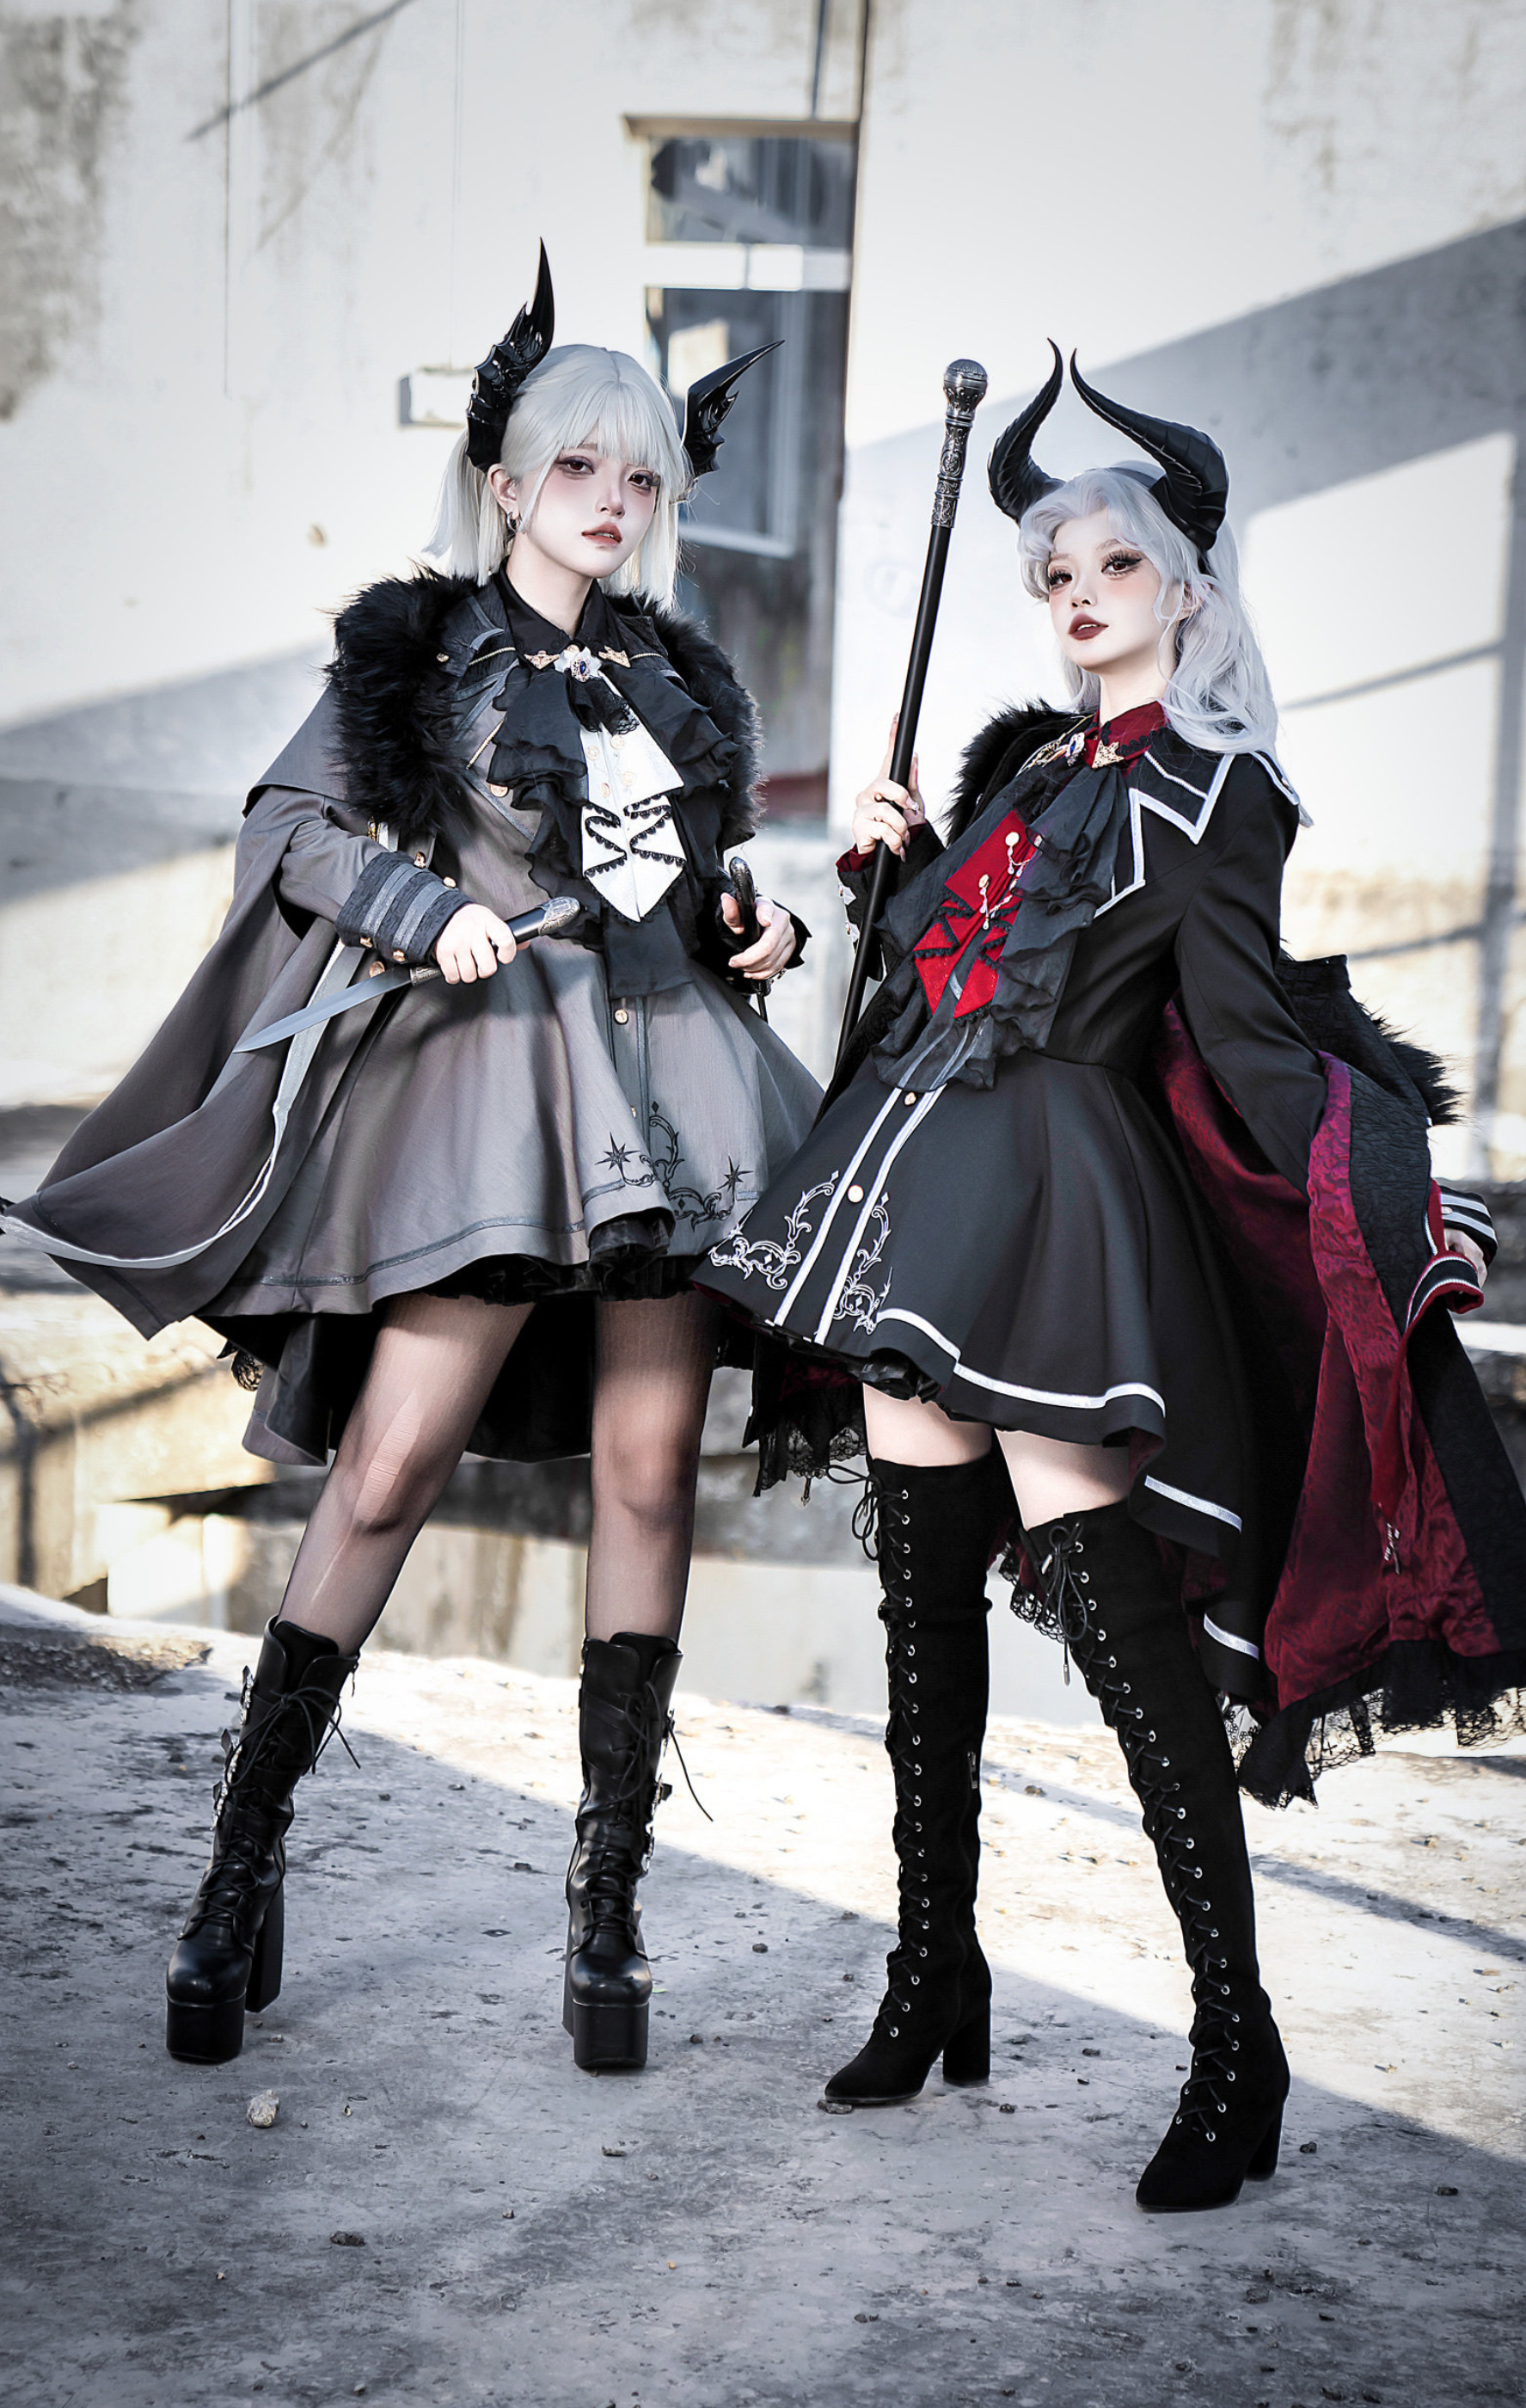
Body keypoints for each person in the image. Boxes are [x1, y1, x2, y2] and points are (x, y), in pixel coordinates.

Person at [697, 346, 1526, 2209]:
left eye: (1114, 565)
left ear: (1187, 585)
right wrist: (893, 869)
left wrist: (1383, 1192)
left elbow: (1250, 1037)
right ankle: (933, 1971)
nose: (1082, 595)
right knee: (920, 1611)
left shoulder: (1217, 791)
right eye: (1056, 574)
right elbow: (933, 983)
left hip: (1054, 1216)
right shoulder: (1028, 776)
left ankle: (1233, 2044)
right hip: (910, 1192)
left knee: (1119, 1635)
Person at [3, 255, 819, 2077]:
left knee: (651, 1471)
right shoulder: (421, 648)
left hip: (680, 1092)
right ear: (508, 480)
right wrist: (416, 903)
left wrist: (753, 928)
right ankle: (241, 1868)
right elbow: (291, 823)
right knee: (385, 1470)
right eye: (578, 467)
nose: (612, 500)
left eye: (640, 476)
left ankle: (605, 1907)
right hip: (499, 1096)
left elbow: (691, 883)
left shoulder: (677, 674)